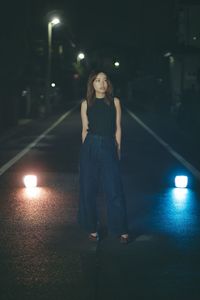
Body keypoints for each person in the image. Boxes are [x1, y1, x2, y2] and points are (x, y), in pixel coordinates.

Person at [78, 70, 129, 243]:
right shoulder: (86, 103)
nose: (102, 83)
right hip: (90, 146)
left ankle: (121, 229)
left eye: (105, 80)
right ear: (92, 84)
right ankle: (91, 228)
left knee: (114, 188)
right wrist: (84, 152)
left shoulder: (115, 102)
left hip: (108, 145)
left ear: (108, 84)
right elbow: (85, 129)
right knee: (88, 189)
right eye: (98, 80)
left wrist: (118, 149)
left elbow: (118, 128)